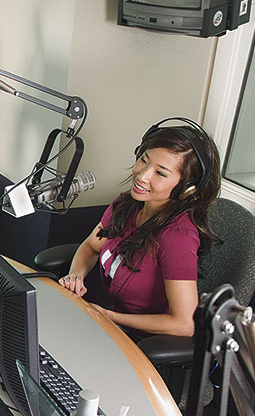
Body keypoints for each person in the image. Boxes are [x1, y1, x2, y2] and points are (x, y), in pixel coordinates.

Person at [58, 118, 221, 338]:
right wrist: (75, 276)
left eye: (160, 173)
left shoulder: (177, 237)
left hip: (149, 342)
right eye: (144, 160)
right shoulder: (127, 204)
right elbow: (92, 245)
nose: (142, 176)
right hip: (113, 325)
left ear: (187, 188)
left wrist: (108, 316)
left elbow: (184, 324)